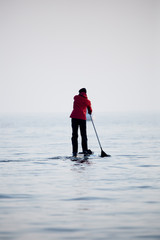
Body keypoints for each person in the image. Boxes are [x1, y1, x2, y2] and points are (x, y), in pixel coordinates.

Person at [70, 88, 92, 157]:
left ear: (79, 92)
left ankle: (74, 152)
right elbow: (90, 110)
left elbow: (76, 97)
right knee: (83, 135)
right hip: (82, 118)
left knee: (74, 135)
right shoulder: (87, 101)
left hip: (74, 117)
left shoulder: (76, 97)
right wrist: (89, 111)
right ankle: (85, 150)